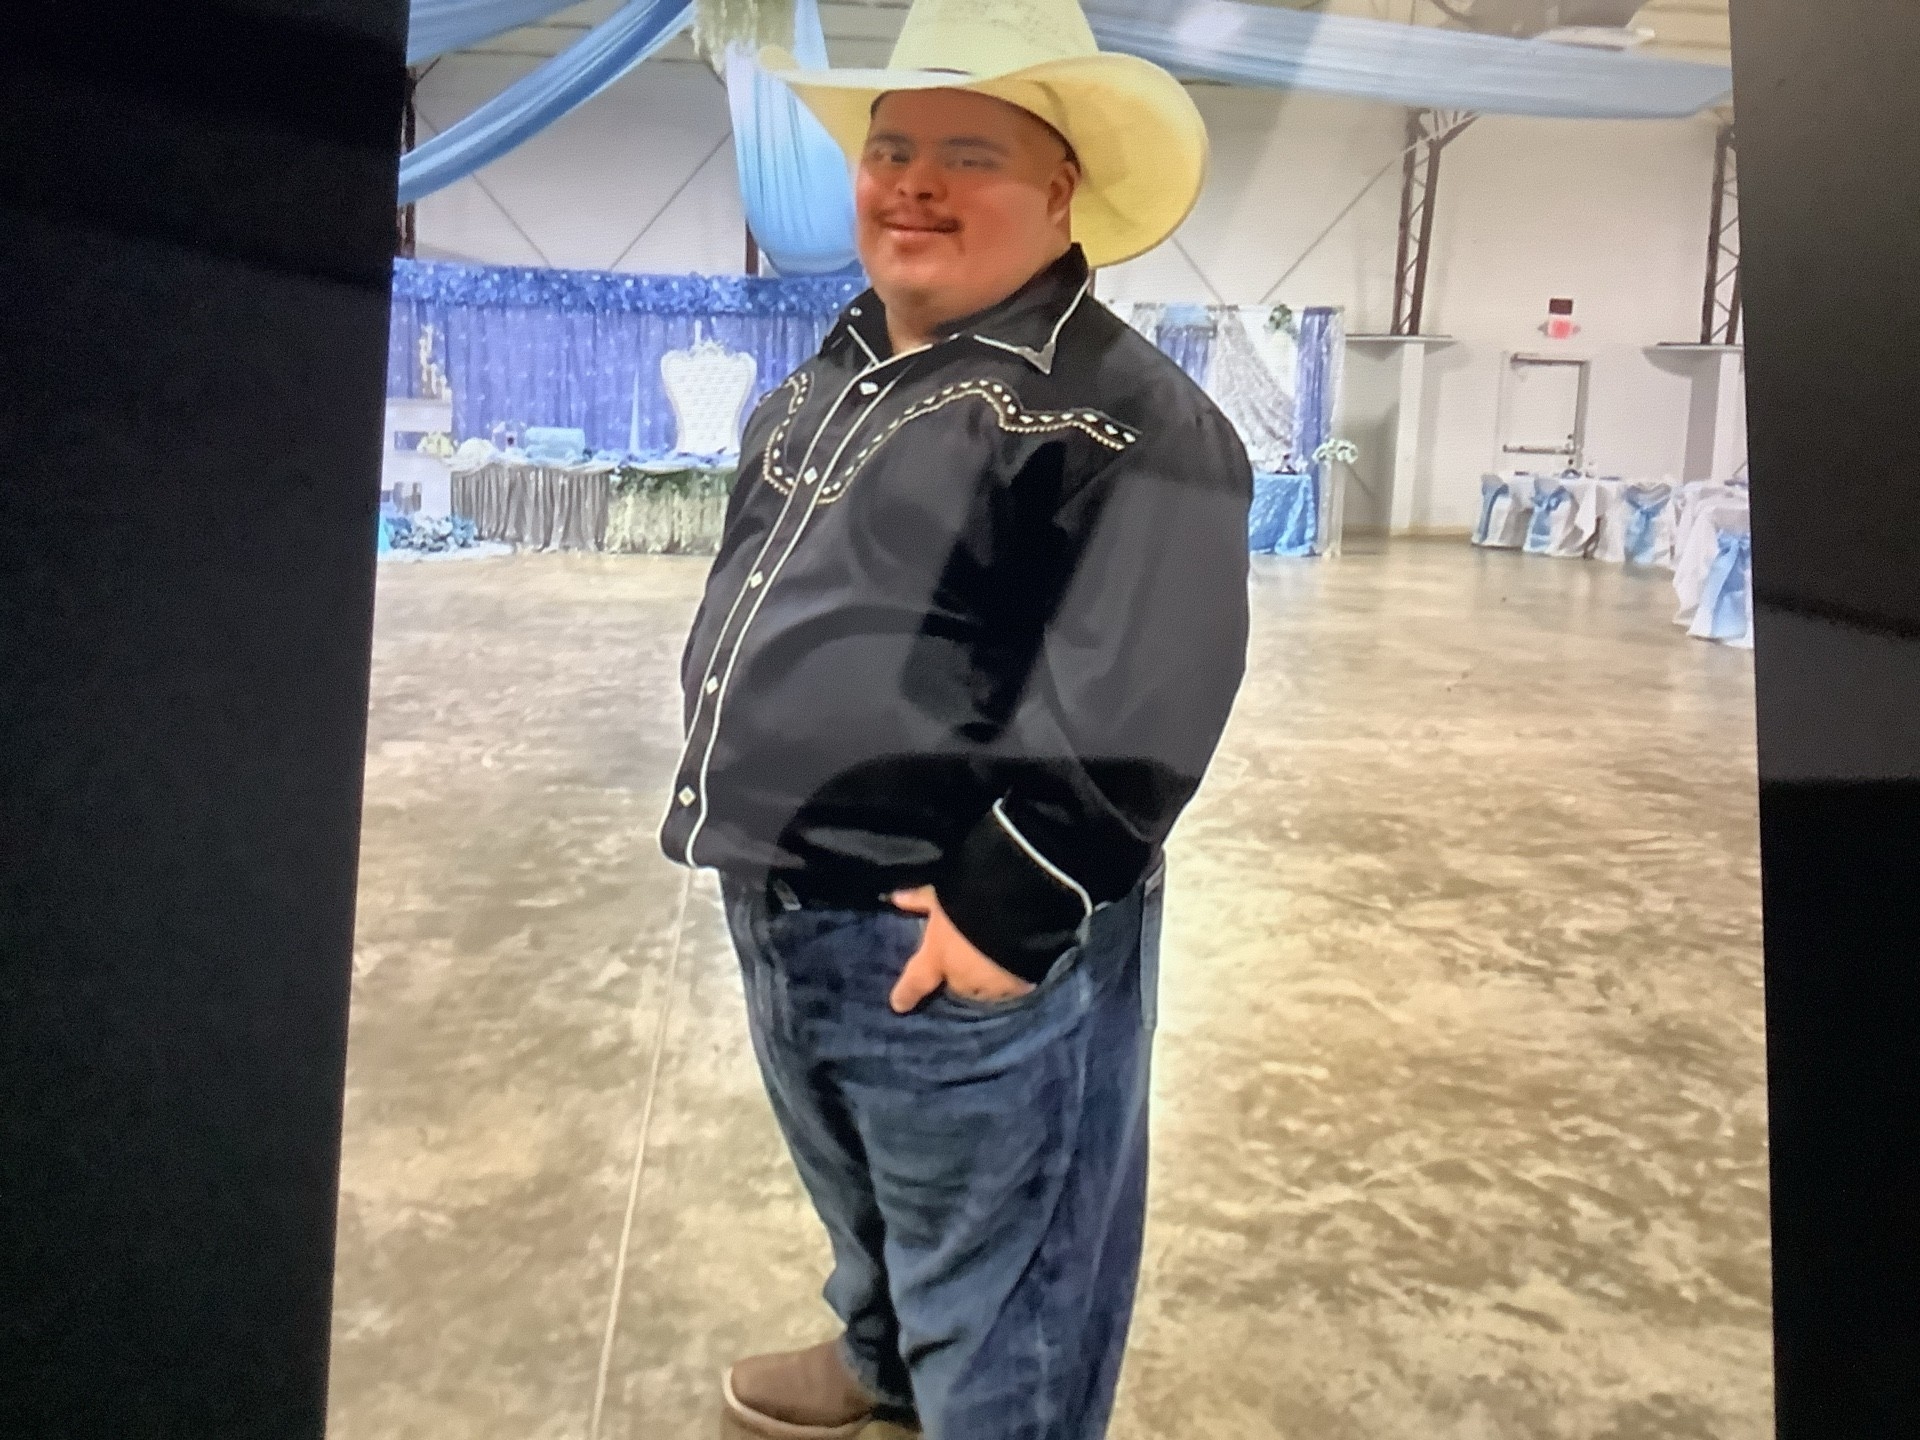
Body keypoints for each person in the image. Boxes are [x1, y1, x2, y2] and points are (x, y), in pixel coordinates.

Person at [659, 0, 1252, 1434]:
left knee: (1008, 1280)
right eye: (892, 148)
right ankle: (882, 1358)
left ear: (1060, 191)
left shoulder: (1128, 416)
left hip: (947, 930)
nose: (913, 183)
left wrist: (1006, 911)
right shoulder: (837, 368)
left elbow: (1148, 700)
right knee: (861, 1189)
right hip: (786, 897)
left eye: (969, 155)